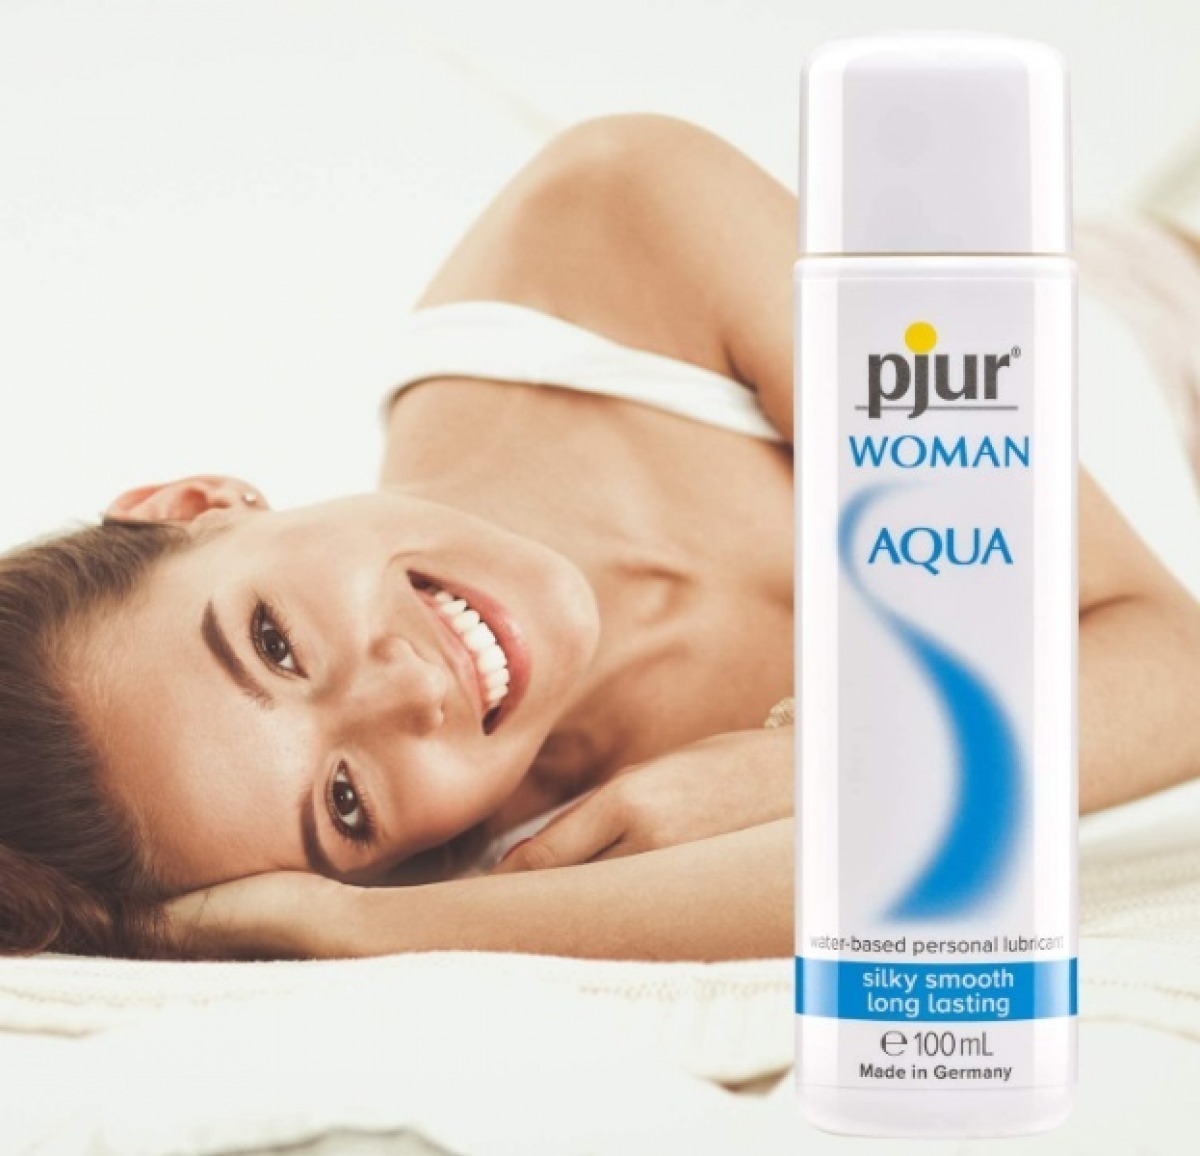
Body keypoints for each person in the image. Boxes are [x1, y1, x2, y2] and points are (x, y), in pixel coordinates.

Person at [1, 114, 1198, 963]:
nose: (408, 691)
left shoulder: (615, 229)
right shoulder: (542, 860)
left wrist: (788, 769)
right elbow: (865, 887)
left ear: (198, 503)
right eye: (346, 803)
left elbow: (1174, 667)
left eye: (273, 641)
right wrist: (366, 926)